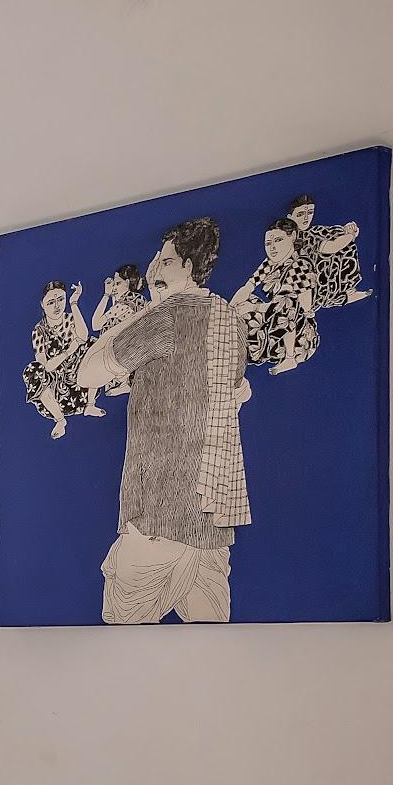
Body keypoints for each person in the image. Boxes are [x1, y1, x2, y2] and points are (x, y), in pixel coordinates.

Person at [76, 217, 249, 623]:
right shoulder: (232, 322)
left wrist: (140, 311)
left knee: (122, 635)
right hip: (211, 523)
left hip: (159, 513)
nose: (155, 267)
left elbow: (88, 372)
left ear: (187, 267)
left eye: (165, 261)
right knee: (213, 647)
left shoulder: (165, 317)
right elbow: (237, 391)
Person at [233, 218, 321, 375]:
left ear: (292, 236)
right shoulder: (270, 263)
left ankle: (289, 359)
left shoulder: (300, 265)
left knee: (287, 299)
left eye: (278, 240)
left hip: (298, 334)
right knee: (247, 299)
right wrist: (230, 309)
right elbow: (248, 286)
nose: (272, 248)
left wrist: (255, 308)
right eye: (268, 244)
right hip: (273, 318)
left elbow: (305, 308)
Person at [23, 279, 92, 437]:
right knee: (33, 371)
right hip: (56, 389)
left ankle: (90, 404)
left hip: (78, 381)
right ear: (42, 304)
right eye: (51, 302)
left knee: (92, 344)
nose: (57, 306)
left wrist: (74, 303)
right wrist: (69, 351)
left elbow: (84, 336)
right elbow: (44, 367)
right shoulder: (38, 330)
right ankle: (60, 420)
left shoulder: (70, 318)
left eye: (61, 300)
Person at [287, 194, 369, 310]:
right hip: (302, 285)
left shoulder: (312, 232)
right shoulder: (300, 237)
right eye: (300, 214)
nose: (306, 218)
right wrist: (350, 235)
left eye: (310, 213)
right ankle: (337, 295)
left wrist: (344, 231)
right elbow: (332, 247)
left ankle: (340, 292)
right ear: (290, 217)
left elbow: (330, 237)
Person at [91, 264, 148, 335]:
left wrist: (106, 295)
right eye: (113, 284)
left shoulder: (130, 301)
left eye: (118, 283)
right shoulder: (137, 299)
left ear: (127, 282)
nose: (114, 288)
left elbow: (96, 324)